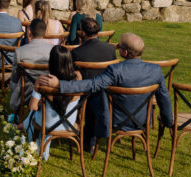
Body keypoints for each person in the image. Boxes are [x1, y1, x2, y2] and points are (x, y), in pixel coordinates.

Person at [38, 33, 173, 143]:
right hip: (142, 121)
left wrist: (60, 84)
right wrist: (168, 120)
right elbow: (164, 97)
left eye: (119, 46)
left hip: (115, 121)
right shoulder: (155, 70)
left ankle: (89, 143)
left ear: (124, 52)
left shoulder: (115, 70)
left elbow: (92, 84)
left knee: (91, 100)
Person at [24, 46, 82, 160]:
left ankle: (27, 134)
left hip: (48, 124)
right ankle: (23, 126)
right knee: (40, 108)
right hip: (70, 124)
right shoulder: (78, 78)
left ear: (51, 62)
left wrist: (36, 88)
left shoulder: (43, 80)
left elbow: (32, 106)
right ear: (69, 62)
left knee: (34, 113)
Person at [71, 17, 118, 150]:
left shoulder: (76, 52)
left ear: (83, 33)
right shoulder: (110, 49)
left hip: (85, 92)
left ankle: (87, 139)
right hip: (107, 91)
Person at [8, 18, 53, 118]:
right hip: (48, 90)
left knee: (14, 82)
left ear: (29, 31)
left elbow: (15, 77)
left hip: (26, 91)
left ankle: (17, 111)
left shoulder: (20, 51)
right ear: (45, 32)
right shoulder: (54, 50)